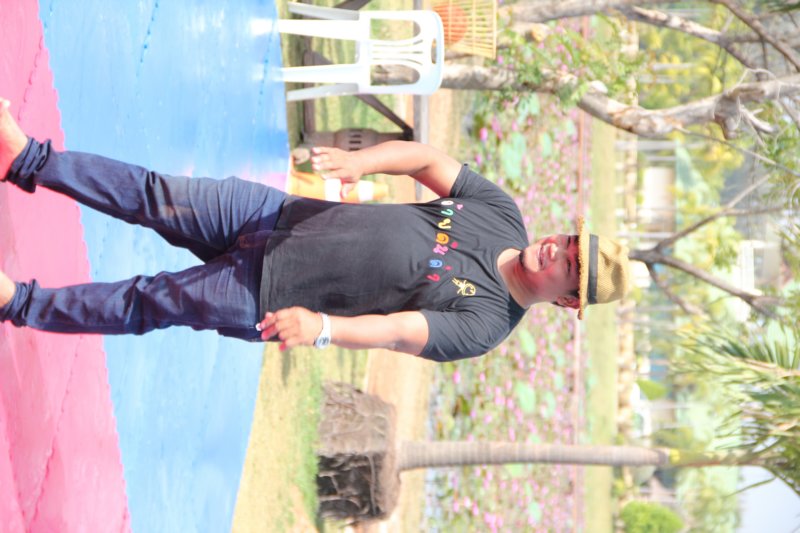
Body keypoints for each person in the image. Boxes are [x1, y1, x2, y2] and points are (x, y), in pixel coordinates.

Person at [0, 98, 630, 362]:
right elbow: (428, 161)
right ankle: (26, 158)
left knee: (150, 300)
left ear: (567, 301)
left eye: (569, 266)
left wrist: (322, 328)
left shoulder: (487, 325)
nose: (557, 249)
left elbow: (399, 331)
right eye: (570, 242)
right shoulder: (503, 214)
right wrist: (362, 162)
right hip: (277, 214)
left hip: (270, 296)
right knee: (154, 194)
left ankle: (18, 304)